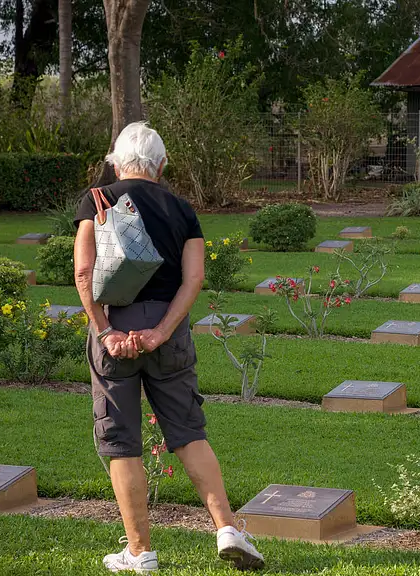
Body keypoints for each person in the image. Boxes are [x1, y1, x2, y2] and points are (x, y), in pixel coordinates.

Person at [73, 122, 265, 573]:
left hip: (114, 324)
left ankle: (140, 553)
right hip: (169, 330)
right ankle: (227, 528)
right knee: (187, 430)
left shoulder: (96, 199)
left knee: (121, 438)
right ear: (160, 166)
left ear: (116, 162)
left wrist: (106, 332)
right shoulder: (182, 209)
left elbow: (85, 274)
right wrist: (161, 331)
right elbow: (194, 278)